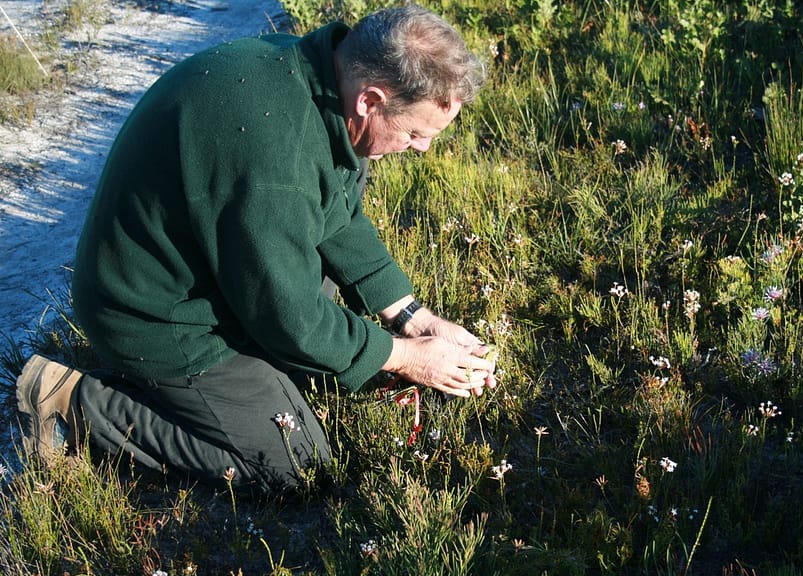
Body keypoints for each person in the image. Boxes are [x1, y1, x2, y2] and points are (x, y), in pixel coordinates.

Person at [15, 4, 495, 491]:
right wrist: (409, 358)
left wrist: (416, 319)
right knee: (294, 463)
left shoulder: (319, 79)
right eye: (415, 133)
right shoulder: (276, 160)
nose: (421, 148)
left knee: (314, 347)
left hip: (206, 270)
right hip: (154, 315)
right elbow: (291, 316)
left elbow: (337, 218)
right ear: (371, 99)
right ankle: (78, 403)